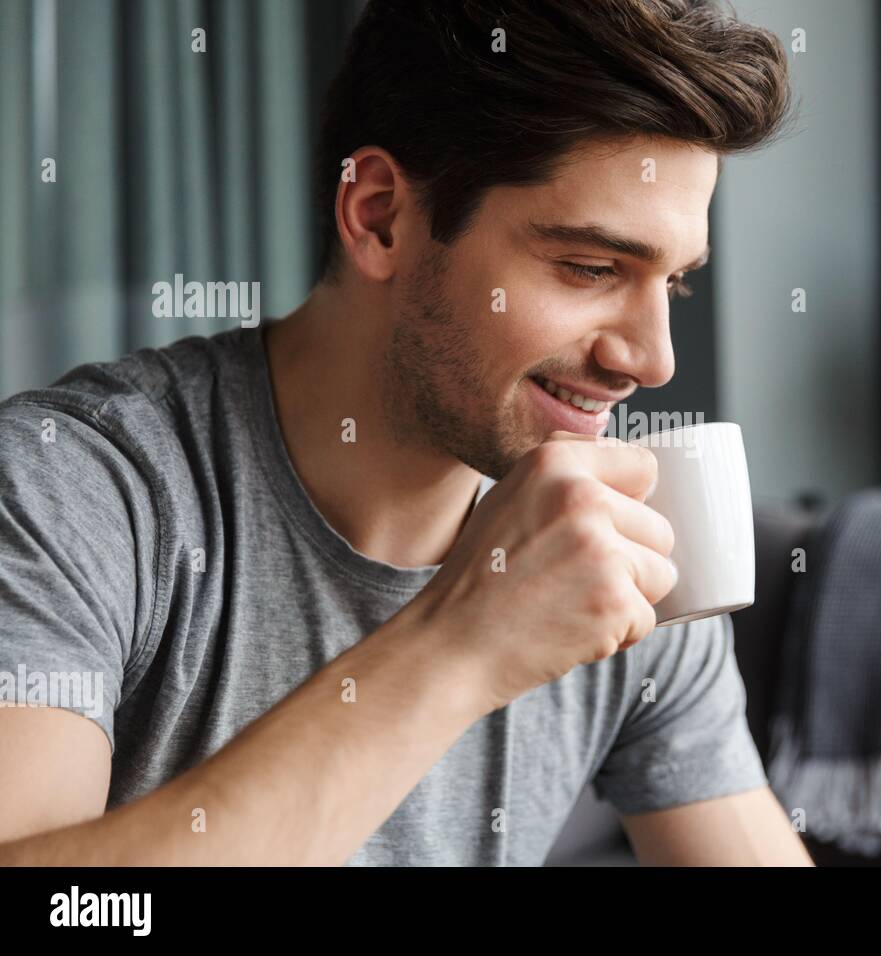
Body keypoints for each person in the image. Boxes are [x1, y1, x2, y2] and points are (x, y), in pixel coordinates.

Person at [0, 0, 811, 865]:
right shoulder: (77, 491)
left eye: (674, 283)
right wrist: (460, 644)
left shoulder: (622, 547)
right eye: (590, 268)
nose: (652, 360)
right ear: (381, 215)